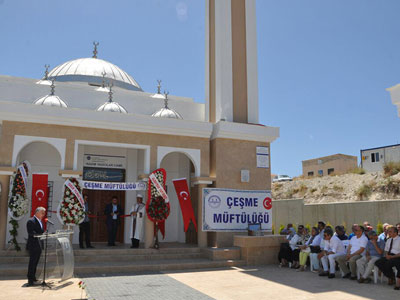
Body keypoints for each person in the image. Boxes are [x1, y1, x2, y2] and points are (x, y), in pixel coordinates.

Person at [26, 207, 45, 286]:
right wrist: (39, 234)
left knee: (36, 262)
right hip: (33, 245)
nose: (43, 215)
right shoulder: (31, 221)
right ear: (37, 212)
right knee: (32, 262)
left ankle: (33, 277)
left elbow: (41, 232)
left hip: (39, 245)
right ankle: (30, 279)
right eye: (42, 213)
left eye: (43, 213)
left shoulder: (40, 221)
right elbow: (31, 232)